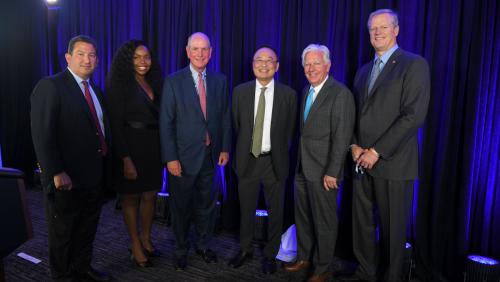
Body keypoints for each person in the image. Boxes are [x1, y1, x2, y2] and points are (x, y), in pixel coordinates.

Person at [339, 9, 430, 282]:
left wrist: (376, 152)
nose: (377, 32)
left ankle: (392, 278)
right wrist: (354, 146)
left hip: (393, 163)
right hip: (360, 161)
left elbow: (413, 115)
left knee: (393, 230)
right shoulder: (363, 70)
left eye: (383, 27)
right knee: (362, 224)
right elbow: (355, 113)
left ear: (396, 30)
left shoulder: (414, 65)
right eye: (372, 29)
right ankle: (366, 272)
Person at [30, 35, 112, 282]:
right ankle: (62, 276)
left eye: (92, 55)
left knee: (87, 229)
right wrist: (55, 171)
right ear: (68, 57)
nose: (87, 60)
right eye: (81, 54)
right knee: (62, 234)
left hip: (93, 177)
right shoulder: (51, 86)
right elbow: (42, 134)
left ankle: (82, 269)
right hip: (65, 178)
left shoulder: (95, 90)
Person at [159, 32, 231, 271]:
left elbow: (225, 117)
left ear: (210, 52)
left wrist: (224, 148)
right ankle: (181, 249)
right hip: (182, 159)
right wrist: (170, 158)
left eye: (204, 49)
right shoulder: (173, 81)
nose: (200, 54)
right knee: (180, 207)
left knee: (207, 206)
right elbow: (166, 122)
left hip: (211, 157)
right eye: (195, 49)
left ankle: (202, 245)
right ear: (187, 52)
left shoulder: (220, 81)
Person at [284, 44, 355, 282]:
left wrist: (333, 171)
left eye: (316, 63)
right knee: (303, 216)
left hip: (325, 172)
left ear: (328, 65)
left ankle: (323, 268)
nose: (311, 68)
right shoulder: (306, 90)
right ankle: (304, 257)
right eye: (307, 64)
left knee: (324, 221)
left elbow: (342, 136)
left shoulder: (340, 94)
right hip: (303, 167)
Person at [229, 46, 297, 274]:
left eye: (270, 61)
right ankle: (245, 249)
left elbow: (289, 131)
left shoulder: (289, 95)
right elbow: (238, 127)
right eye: (259, 59)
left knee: (276, 211)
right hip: (247, 159)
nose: (264, 64)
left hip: (274, 162)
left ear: (277, 66)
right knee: (246, 208)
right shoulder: (239, 92)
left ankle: (270, 254)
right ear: (252, 65)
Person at [106, 40, 164, 268]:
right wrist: (125, 159)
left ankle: (146, 238)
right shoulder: (119, 85)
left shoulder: (155, 82)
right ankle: (135, 244)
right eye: (137, 57)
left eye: (147, 57)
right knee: (131, 198)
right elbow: (115, 125)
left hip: (153, 147)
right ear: (127, 60)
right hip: (129, 147)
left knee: (150, 194)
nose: (143, 62)